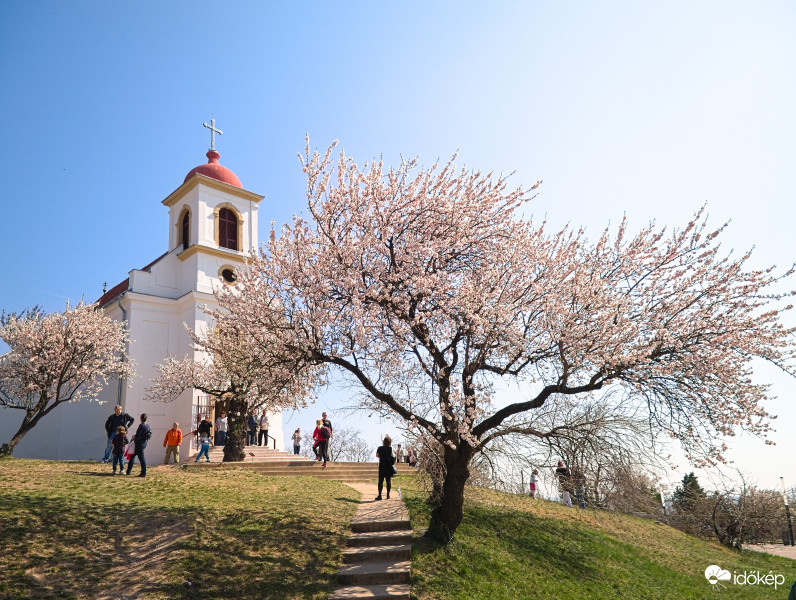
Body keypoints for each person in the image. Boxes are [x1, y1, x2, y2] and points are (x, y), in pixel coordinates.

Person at [375, 435, 396, 500]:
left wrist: (382, 456)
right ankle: (388, 495)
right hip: (389, 467)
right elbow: (395, 457)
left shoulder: (380, 448)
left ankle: (380, 495)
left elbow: (377, 455)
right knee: (388, 481)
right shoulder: (391, 449)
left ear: (383, 442)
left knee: (380, 481)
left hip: (382, 466)